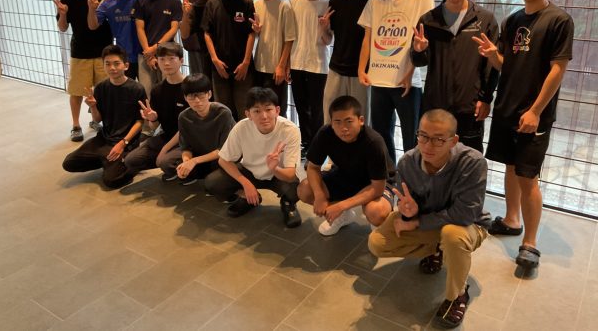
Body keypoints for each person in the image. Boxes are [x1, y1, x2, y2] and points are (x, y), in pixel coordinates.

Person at [473, 0, 574, 269]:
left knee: (528, 176)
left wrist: (535, 111)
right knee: (511, 167)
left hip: (534, 114)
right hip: (507, 109)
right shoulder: (513, 20)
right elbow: (508, 65)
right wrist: (493, 55)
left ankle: (530, 243)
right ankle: (511, 220)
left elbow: (557, 70)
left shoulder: (558, 20)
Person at [368, 109, 490, 329]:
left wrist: (417, 222)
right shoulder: (408, 162)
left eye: (438, 139)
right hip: (429, 220)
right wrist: (409, 213)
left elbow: (465, 214)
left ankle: (457, 295)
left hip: (468, 225)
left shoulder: (473, 162)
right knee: (377, 242)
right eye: (423, 136)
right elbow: (406, 206)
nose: (428, 145)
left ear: (453, 141)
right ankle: (435, 249)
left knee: (452, 235)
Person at [411, 0, 500, 152]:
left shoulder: (485, 19)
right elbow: (418, 62)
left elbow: (492, 67)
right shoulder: (428, 20)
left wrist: (486, 99)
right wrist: (418, 50)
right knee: (433, 154)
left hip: (470, 106)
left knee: (468, 157)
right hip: (435, 105)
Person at [358, 0, 434, 163]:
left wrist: (409, 73)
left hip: (407, 82)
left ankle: (411, 176)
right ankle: (389, 175)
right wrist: (361, 69)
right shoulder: (375, 2)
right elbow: (367, 38)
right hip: (379, 79)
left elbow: (421, 42)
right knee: (380, 134)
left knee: (412, 135)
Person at [204, 87, 302, 228]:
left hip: (277, 175)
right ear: (248, 114)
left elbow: (291, 174)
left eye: (268, 109)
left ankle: (288, 204)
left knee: (297, 188)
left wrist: (274, 168)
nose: (264, 116)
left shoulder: (290, 130)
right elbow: (223, 160)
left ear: (277, 110)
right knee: (213, 183)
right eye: (257, 111)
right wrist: (245, 183)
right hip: (249, 171)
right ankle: (246, 197)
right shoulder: (241, 127)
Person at [298, 96, 395, 236]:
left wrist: (341, 206)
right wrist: (319, 195)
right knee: (305, 189)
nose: (343, 128)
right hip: (345, 175)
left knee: (376, 212)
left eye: (349, 121)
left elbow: (377, 188)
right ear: (331, 122)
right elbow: (313, 167)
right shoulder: (325, 133)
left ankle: (377, 225)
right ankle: (343, 216)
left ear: (361, 120)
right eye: (337, 122)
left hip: (377, 183)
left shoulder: (374, 142)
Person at [62, 45, 145, 188]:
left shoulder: (136, 89)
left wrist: (123, 143)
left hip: (126, 143)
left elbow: (140, 122)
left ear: (126, 66)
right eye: (108, 64)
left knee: (111, 181)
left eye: (116, 63)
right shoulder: (101, 87)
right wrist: (93, 106)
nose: (112, 68)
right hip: (104, 139)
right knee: (69, 163)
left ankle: (130, 164)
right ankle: (108, 161)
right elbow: (97, 120)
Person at [53, 0, 111, 141]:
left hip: (103, 51)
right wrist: (63, 14)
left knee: (105, 91)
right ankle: (76, 125)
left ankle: (101, 121)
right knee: (77, 91)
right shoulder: (67, 0)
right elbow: (62, 28)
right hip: (80, 51)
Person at [321, 0, 377, 123]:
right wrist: (323, 27)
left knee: (360, 118)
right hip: (336, 68)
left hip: (363, 71)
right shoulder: (335, 2)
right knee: (330, 113)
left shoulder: (373, 0)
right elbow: (327, 40)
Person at [124, 42, 188, 181]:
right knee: (131, 160)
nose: (166, 63)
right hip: (167, 136)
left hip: (189, 140)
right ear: (157, 61)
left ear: (181, 61)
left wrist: (164, 150)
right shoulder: (157, 90)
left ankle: (182, 167)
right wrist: (152, 119)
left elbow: (188, 128)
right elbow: (154, 127)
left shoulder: (191, 86)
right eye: (162, 59)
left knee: (164, 162)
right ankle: (171, 163)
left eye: (171, 59)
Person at [202, 0, 256, 119]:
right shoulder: (212, 4)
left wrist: (246, 62)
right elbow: (207, 33)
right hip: (220, 65)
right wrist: (215, 60)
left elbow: (251, 33)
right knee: (223, 111)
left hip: (242, 66)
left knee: (245, 110)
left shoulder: (246, 3)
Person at [289, 0, 331, 155]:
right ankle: (306, 143)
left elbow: (328, 40)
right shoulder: (293, 2)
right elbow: (289, 34)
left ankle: (318, 145)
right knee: (301, 106)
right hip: (297, 61)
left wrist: (323, 28)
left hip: (319, 63)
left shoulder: (327, 2)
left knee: (317, 109)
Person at [172, 74, 236, 185]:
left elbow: (223, 150)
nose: (197, 101)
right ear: (185, 98)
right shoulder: (183, 117)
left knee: (213, 181)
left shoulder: (223, 113)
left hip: (224, 157)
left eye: (201, 95)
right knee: (171, 165)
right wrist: (187, 162)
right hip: (201, 155)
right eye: (191, 96)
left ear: (209, 94)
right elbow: (186, 147)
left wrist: (194, 161)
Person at [251, 0, 296, 116]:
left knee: (277, 109)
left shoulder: (284, 5)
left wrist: (281, 66)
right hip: (258, 65)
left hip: (276, 68)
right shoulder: (255, 4)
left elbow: (289, 39)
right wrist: (256, 31)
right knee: (260, 108)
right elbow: (256, 35)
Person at [133, 0, 183, 96]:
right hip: (145, 54)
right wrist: (148, 53)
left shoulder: (174, 1)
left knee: (169, 90)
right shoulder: (141, 1)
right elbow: (140, 28)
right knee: (147, 92)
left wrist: (155, 48)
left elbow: (174, 29)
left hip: (167, 53)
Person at [88, 0, 142, 80]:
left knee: (147, 89)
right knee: (125, 89)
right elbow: (93, 26)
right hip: (123, 56)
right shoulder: (108, 2)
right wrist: (92, 9)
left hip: (145, 54)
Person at [180, 0, 218, 79]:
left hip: (232, 55)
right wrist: (186, 14)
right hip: (208, 58)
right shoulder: (196, 7)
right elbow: (185, 34)